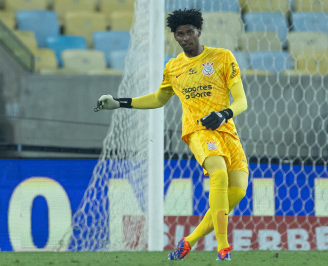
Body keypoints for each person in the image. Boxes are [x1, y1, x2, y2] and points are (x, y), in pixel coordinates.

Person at [96, 8, 249, 261]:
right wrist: (119, 102)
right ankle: (223, 248)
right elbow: (158, 99)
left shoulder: (222, 58)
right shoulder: (174, 67)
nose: (186, 37)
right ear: (175, 37)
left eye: (190, 32)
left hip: (226, 130)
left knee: (239, 191)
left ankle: (188, 241)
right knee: (218, 174)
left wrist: (224, 114)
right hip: (197, 130)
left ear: (199, 31)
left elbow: (242, 101)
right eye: (180, 34)